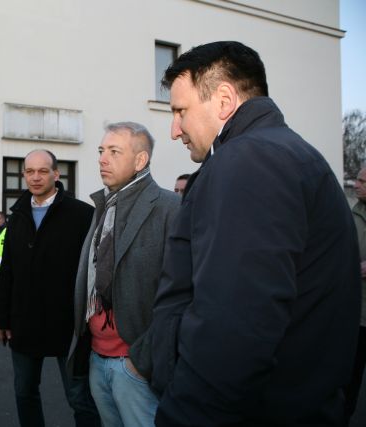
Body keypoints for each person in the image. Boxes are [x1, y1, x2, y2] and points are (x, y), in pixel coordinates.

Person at [151, 41, 361, 426]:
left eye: (180, 111)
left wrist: (183, 416)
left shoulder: (249, 161)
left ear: (224, 100)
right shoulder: (279, 153)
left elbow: (233, 329)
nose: (174, 130)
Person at [68, 122, 180, 426]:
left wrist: (142, 358)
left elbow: (181, 294)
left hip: (135, 365)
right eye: (101, 150)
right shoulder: (103, 206)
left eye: (114, 152)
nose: (102, 159)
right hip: (96, 357)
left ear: (140, 160)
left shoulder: (171, 208)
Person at [0, 149, 100, 427]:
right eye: (30, 171)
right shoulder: (17, 215)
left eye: (43, 171)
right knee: (24, 392)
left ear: (56, 174)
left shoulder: (82, 214)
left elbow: (94, 270)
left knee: (79, 398)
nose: (36, 177)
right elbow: (8, 270)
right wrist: (3, 319)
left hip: (68, 324)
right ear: (23, 175)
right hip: (24, 322)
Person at [348, 167, 366, 417]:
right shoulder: (354, 211)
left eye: (362, 181)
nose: (356, 184)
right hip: (357, 315)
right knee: (350, 377)